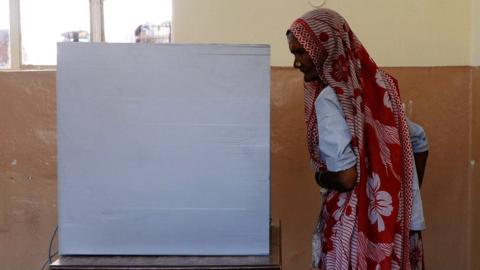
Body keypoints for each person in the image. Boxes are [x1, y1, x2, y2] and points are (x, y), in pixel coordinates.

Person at [286, 8, 429, 269]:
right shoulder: (381, 88)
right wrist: (401, 195)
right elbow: (419, 140)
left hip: (353, 230)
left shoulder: (330, 98)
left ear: (324, 47)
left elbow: (345, 177)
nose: (296, 62)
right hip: (396, 227)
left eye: (301, 52)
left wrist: (319, 176)